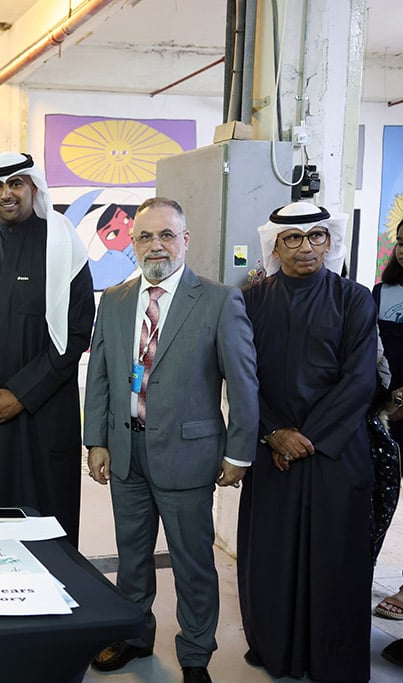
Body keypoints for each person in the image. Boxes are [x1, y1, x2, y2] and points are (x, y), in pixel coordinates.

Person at [84, 197, 257, 683]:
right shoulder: (115, 301)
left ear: (185, 240)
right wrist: (96, 439)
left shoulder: (220, 300)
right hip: (126, 452)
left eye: (165, 235)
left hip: (189, 454)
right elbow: (100, 374)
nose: (154, 245)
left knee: (192, 562)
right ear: (132, 243)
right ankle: (135, 636)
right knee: (132, 557)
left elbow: (243, 383)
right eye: (144, 236)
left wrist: (238, 451)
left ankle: (196, 652)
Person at [237, 201, 376, 683]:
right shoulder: (250, 300)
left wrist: (305, 438)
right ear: (274, 246)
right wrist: (273, 432)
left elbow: (360, 380)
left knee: (334, 559)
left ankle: (330, 655)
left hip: (335, 450)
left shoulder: (354, 298)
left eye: (317, 236)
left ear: (330, 242)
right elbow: (241, 378)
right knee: (272, 556)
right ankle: (273, 646)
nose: (306, 247)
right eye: (293, 239)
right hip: (271, 447)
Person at [0, 151, 95, 545]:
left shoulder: (63, 245)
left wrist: (21, 395)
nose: (6, 194)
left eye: (15, 184)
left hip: (42, 413)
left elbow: (77, 331)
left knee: (45, 522)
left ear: (33, 187)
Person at [374, 212, 403, 623]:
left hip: (401, 406)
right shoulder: (382, 292)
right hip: (382, 414)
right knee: (377, 501)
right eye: (401, 240)